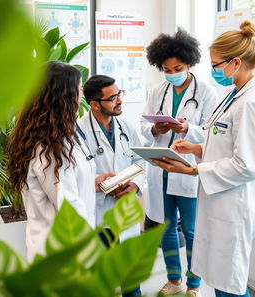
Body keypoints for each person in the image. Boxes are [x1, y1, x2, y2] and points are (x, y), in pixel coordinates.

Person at [151, 20, 255, 297]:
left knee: (230, 282)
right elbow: (222, 141)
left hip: (232, 203)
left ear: (235, 62)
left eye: (216, 65)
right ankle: (179, 280)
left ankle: (193, 285)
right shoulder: (234, 94)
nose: (214, 71)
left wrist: (193, 171)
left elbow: (247, 165)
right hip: (219, 199)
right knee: (223, 279)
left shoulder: (249, 101)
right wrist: (196, 150)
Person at [7, 61, 113, 261]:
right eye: (79, 88)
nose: (82, 94)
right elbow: (69, 206)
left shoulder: (59, 136)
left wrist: (92, 183)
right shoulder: (49, 147)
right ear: (64, 96)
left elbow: (62, 186)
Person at [140, 28, 218, 297]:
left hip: (187, 169)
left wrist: (187, 129)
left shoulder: (207, 93)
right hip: (160, 166)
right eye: (166, 68)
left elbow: (211, 132)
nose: (172, 72)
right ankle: (174, 279)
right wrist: (154, 130)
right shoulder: (157, 90)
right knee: (165, 225)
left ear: (190, 63)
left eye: (178, 67)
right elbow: (143, 123)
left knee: (193, 231)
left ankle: (194, 284)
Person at [78, 74, 145, 297]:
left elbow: (141, 159)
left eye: (120, 94)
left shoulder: (126, 126)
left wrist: (134, 185)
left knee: (132, 281)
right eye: (113, 97)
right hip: (98, 216)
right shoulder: (77, 132)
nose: (120, 100)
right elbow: (73, 174)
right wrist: (97, 183)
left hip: (126, 213)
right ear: (94, 104)